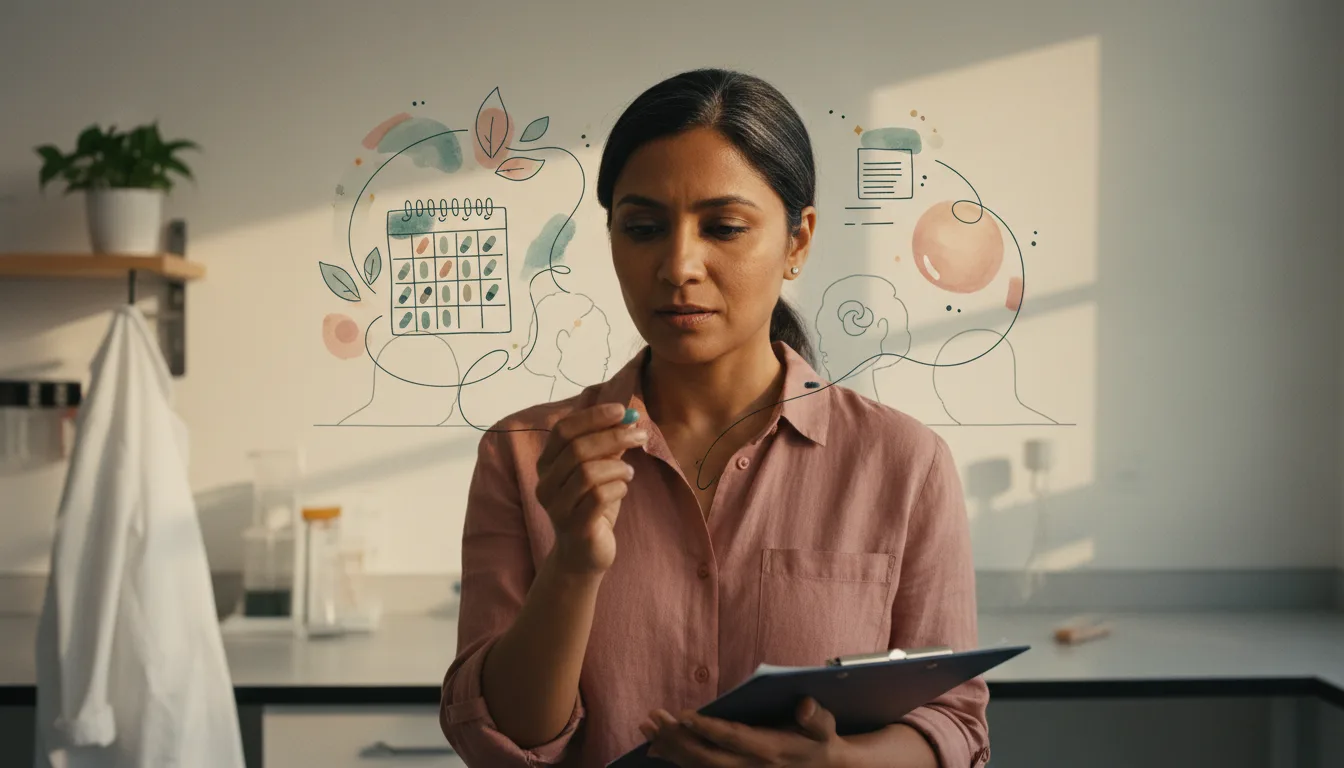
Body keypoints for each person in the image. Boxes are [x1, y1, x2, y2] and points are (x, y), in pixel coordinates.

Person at [440, 68, 989, 768]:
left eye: (723, 227)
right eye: (643, 228)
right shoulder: (524, 456)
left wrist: (841, 765)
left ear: (798, 242)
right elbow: (504, 741)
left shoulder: (904, 463)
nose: (678, 265)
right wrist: (573, 565)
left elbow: (953, 724)